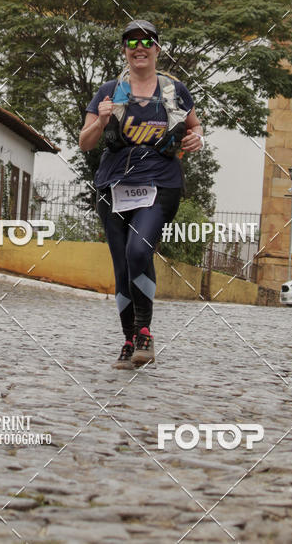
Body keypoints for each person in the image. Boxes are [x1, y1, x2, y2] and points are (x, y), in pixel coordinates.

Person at [79, 19, 203, 369]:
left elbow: (194, 128)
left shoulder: (174, 91)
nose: (140, 48)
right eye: (132, 43)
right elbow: (85, 142)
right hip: (113, 186)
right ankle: (129, 340)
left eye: (147, 42)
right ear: (125, 51)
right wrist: (101, 122)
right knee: (122, 267)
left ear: (157, 50)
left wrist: (198, 139)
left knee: (138, 249)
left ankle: (145, 330)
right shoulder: (108, 91)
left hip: (160, 184)